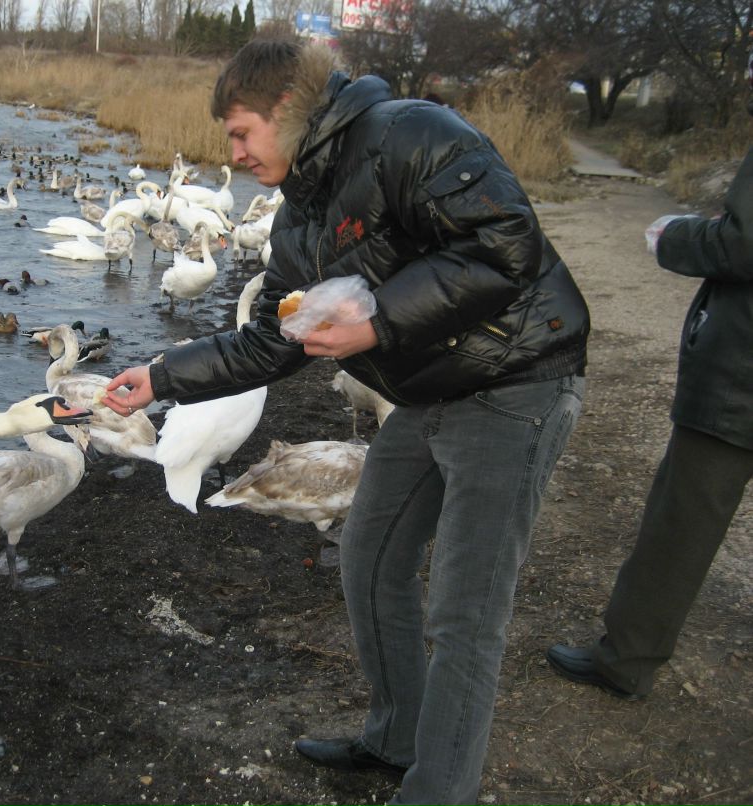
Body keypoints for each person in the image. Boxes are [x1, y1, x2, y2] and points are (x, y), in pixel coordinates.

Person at [104, 39, 590, 805]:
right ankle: (398, 738)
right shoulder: (299, 211)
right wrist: (161, 378)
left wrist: (379, 323)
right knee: (368, 557)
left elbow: (507, 248)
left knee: (466, 610)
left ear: (289, 114)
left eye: (240, 133)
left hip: (516, 380)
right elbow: (271, 338)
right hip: (431, 386)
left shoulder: (412, 135)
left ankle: (439, 791)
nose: (230, 155)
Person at [546, 57, 753, 700]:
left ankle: (627, 658)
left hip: (744, 376)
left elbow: (744, 244)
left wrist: (676, 237)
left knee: (684, 517)